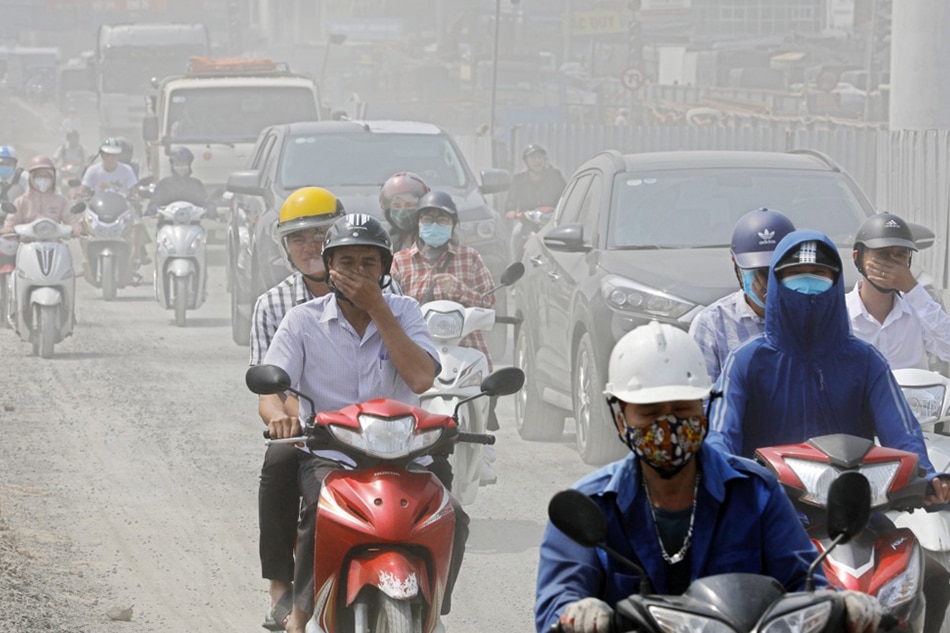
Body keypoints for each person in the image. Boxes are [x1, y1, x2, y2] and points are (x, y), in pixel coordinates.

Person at [535, 321, 881, 633]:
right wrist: (578, 611)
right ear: (622, 419)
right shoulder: (590, 506)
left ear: (705, 412)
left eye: (682, 410)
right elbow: (555, 603)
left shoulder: (755, 492)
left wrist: (840, 604)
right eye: (650, 414)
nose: (668, 426)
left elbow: (803, 582)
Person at [707, 230, 950, 633]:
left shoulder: (865, 361)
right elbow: (720, 437)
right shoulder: (746, 362)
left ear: (837, 281)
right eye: (796, 275)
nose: (809, 286)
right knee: (721, 599)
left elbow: (904, 435)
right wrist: (727, 478)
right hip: (769, 519)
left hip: (858, 517)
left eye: (820, 274)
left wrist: (928, 477)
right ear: (778, 281)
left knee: (932, 580)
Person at [261, 213, 466, 633]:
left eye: (369, 264)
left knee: (455, 516)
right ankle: (298, 616)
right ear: (329, 268)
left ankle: (432, 606)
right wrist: (281, 418)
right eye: (347, 262)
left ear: (385, 269)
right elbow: (270, 390)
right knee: (319, 513)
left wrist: (378, 309)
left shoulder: (405, 312)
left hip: (405, 453)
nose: (358, 272)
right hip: (330, 452)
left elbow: (421, 377)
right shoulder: (302, 320)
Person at [249, 187, 344, 631]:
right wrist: (285, 420)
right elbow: (270, 388)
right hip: (310, 426)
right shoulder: (272, 305)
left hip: (376, 423)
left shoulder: (384, 292)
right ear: (284, 247)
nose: (312, 247)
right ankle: (280, 588)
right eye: (299, 239)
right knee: (280, 460)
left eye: (321, 234)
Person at [689, 208, 796, 383]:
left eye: (775, 270)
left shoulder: (812, 317)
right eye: (757, 271)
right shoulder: (712, 324)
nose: (766, 282)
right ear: (735, 263)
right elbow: (702, 400)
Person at [845, 212, 950, 370]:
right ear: (858, 258)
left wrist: (912, 288)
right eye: (882, 254)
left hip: (911, 395)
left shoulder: (918, 310)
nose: (892, 263)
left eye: (900, 255)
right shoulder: (840, 312)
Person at [80, 138, 146, 264]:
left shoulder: (127, 170)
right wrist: (78, 194)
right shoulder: (93, 170)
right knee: (81, 225)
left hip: (123, 208)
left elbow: (134, 190)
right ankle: (86, 257)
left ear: (118, 156)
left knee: (137, 225)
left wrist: (137, 196)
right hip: (97, 209)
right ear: (102, 155)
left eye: (114, 155)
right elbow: (83, 189)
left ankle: (136, 256)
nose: (110, 158)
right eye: (107, 155)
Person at [2, 155, 77, 235]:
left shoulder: (61, 200)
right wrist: (8, 228)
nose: (43, 180)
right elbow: (12, 220)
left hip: (55, 242)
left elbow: (70, 218)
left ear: (53, 178)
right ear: (31, 178)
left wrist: (76, 227)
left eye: (46, 176)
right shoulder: (21, 201)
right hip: (26, 243)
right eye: (38, 176)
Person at [145, 147, 209, 217]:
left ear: (189, 166)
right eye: (178, 165)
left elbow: (205, 201)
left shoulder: (196, 184)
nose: (181, 168)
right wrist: (153, 208)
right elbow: (155, 201)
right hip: (167, 224)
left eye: (184, 164)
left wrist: (210, 206)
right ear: (172, 166)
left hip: (193, 223)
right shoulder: (164, 184)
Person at [505, 144, 566, 215]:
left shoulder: (555, 176)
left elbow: (566, 196)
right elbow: (510, 204)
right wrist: (511, 212)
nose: (537, 161)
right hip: (527, 222)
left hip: (553, 220)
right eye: (532, 158)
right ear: (526, 161)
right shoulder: (519, 179)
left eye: (540, 157)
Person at [379, 171, 429, 252]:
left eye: (409, 205)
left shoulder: (433, 239)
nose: (403, 211)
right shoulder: (385, 241)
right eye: (396, 206)